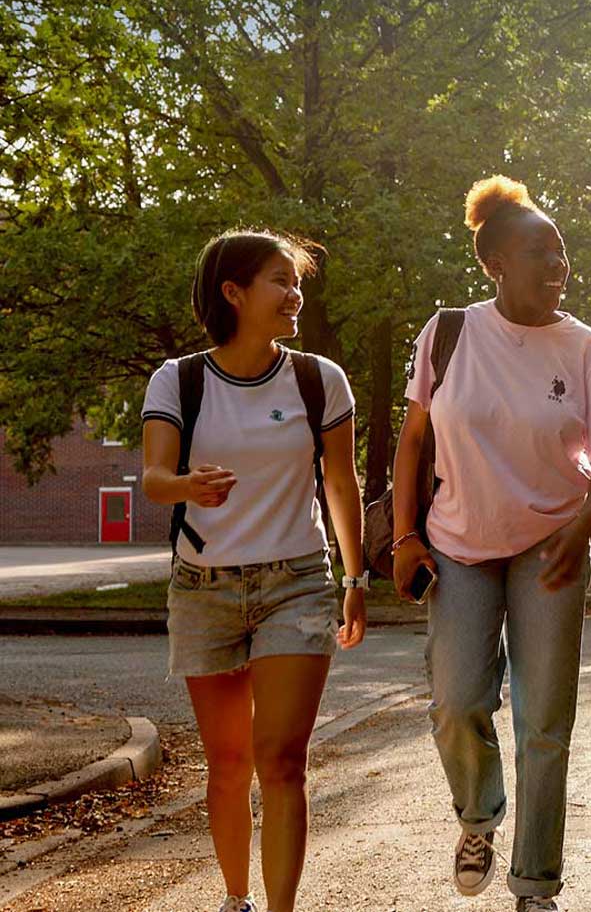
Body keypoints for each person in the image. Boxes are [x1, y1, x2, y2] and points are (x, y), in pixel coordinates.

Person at [390, 176, 591, 912]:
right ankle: (477, 815)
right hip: (459, 544)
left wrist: (581, 532)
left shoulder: (586, 349)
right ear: (495, 261)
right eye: (538, 252)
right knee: (457, 701)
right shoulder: (449, 331)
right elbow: (413, 442)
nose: (557, 265)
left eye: (562, 253)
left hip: (551, 546)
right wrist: (403, 536)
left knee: (544, 721)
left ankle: (536, 886)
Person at [141, 230, 366, 912]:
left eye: (296, 281)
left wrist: (355, 580)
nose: (295, 293)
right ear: (233, 293)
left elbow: (340, 485)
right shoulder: (178, 379)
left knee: (281, 761)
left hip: (296, 582)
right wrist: (188, 488)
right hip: (204, 587)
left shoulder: (317, 379)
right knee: (230, 764)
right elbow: (154, 477)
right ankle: (235, 900)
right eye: (279, 279)